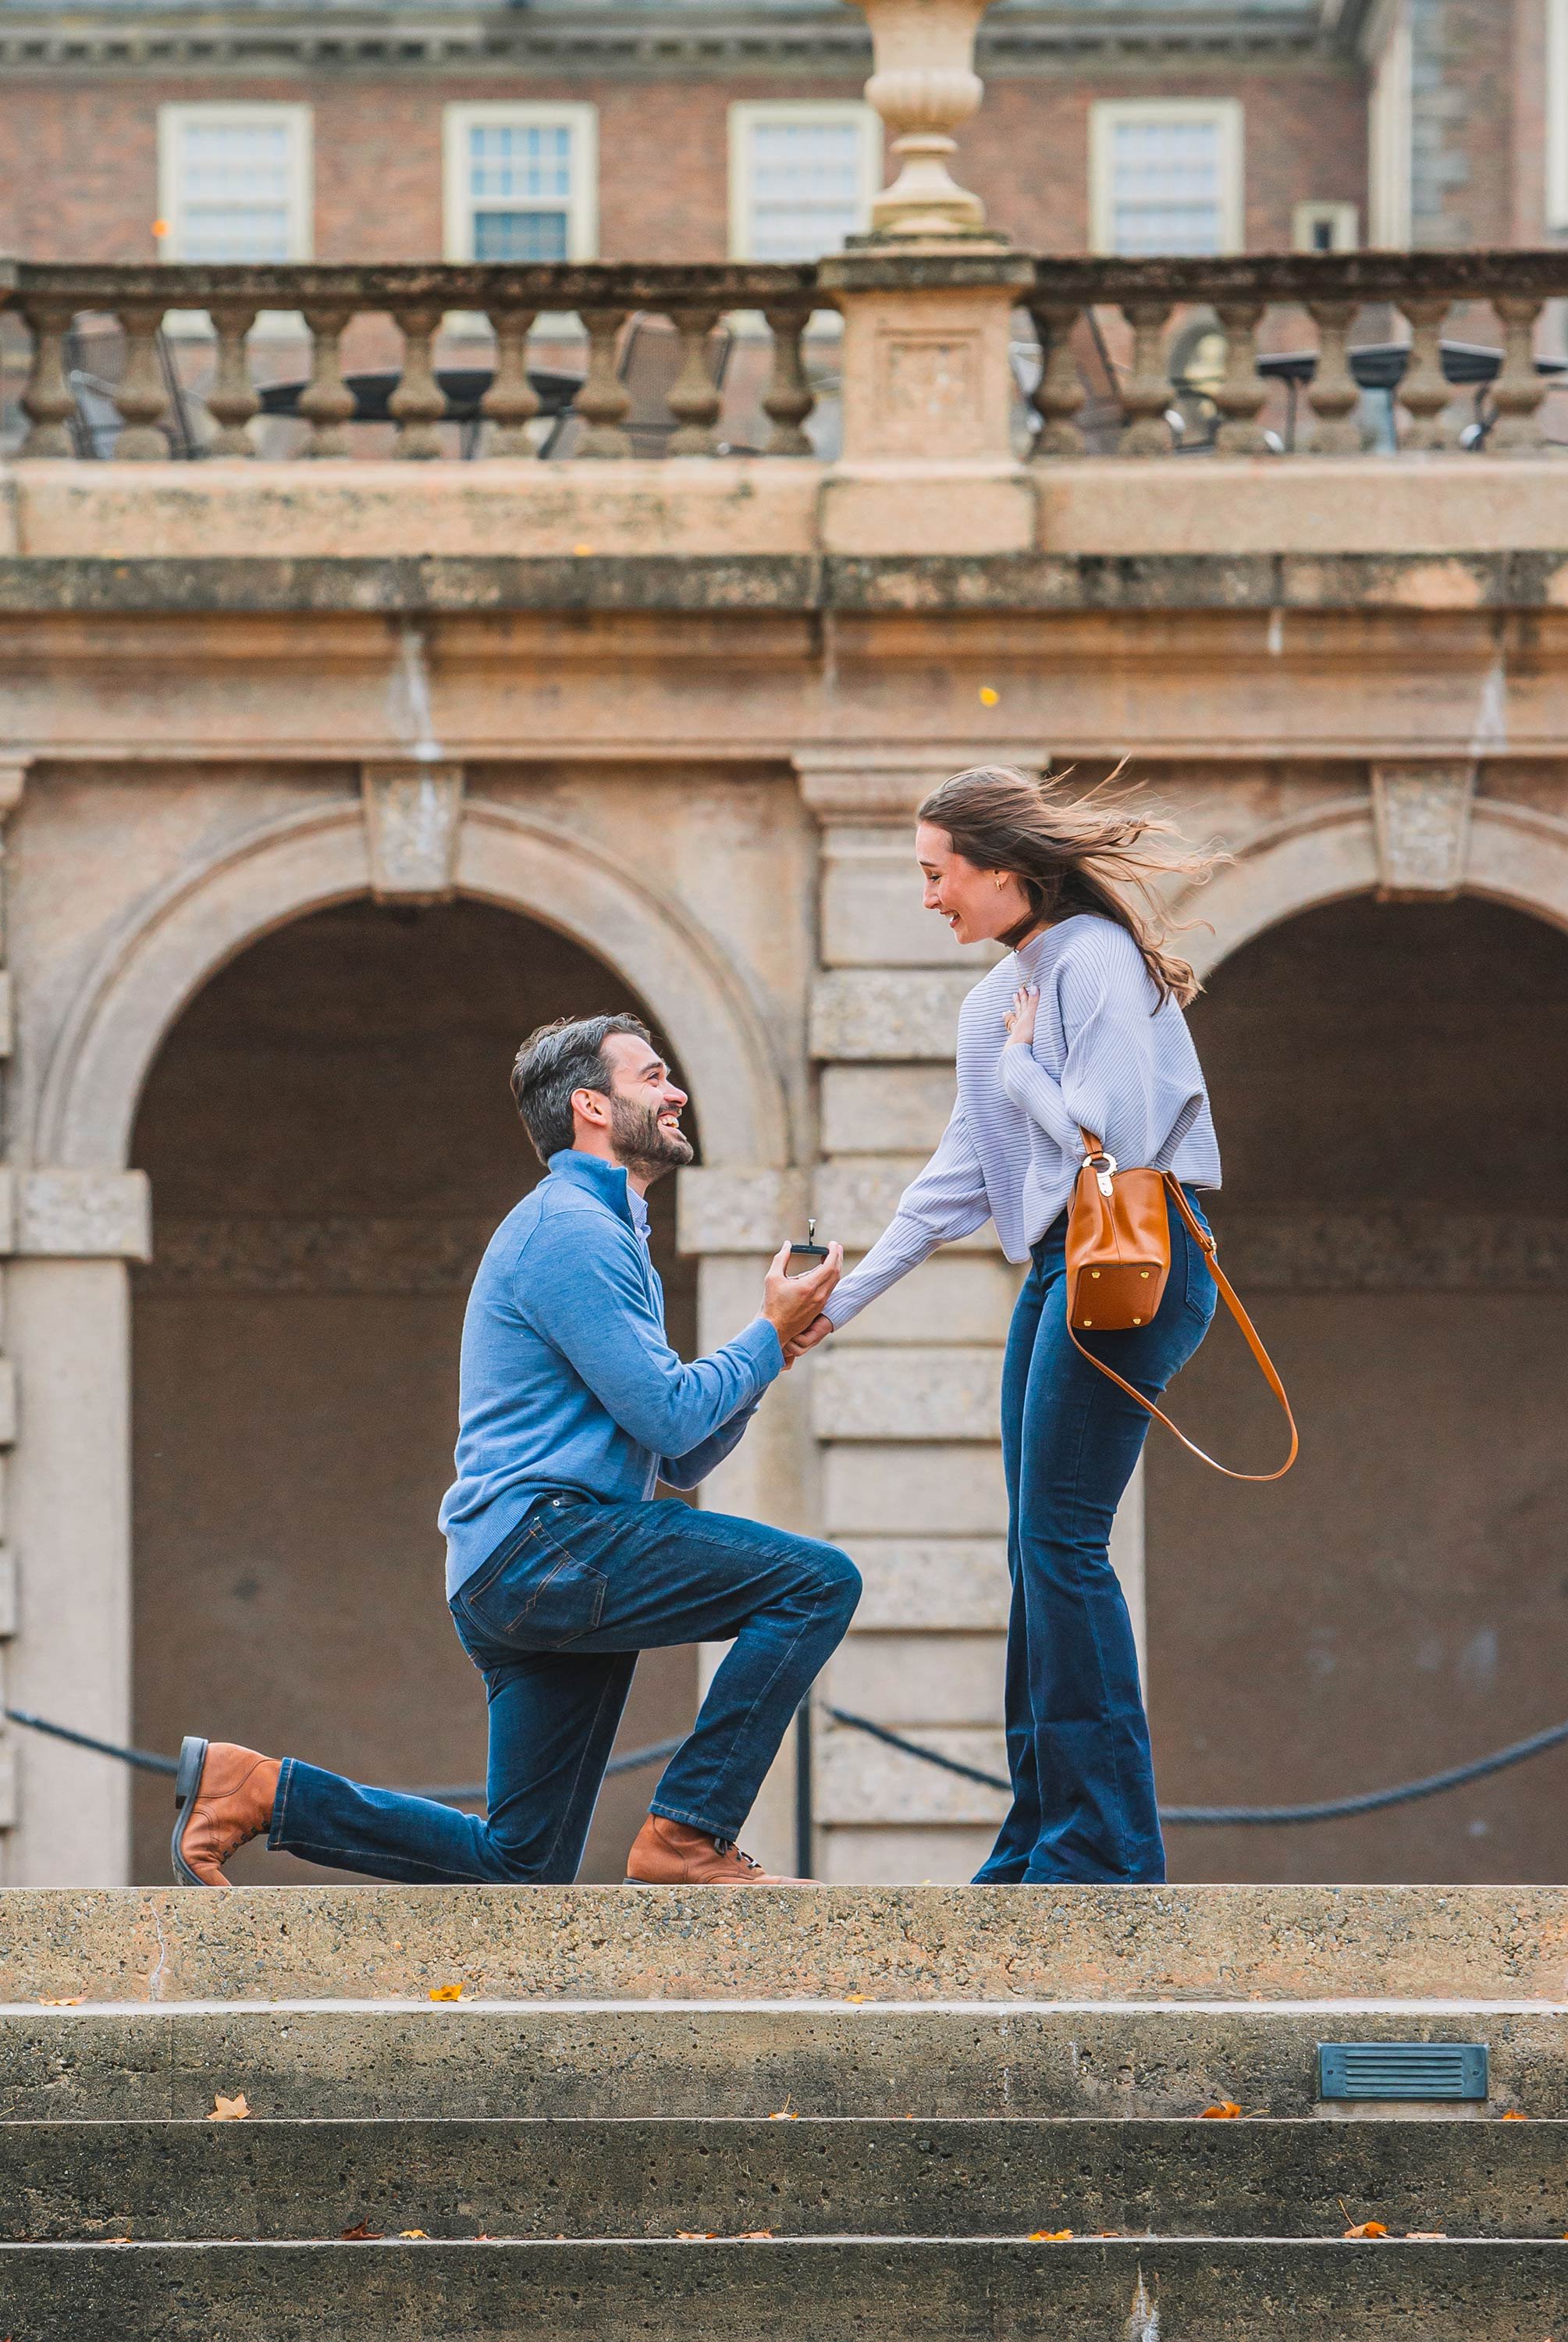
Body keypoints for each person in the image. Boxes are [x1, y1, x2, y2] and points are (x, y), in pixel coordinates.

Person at [172, 1011, 856, 1890]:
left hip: (520, 1564)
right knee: (815, 1583)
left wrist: (768, 1355)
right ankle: (690, 1833)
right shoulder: (571, 1231)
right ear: (591, 1107)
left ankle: (258, 1792)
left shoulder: (599, 1232)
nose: (675, 1089)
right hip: (548, 1547)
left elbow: (676, 1457)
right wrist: (763, 1337)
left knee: (520, 1867)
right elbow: (674, 1420)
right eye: (650, 1076)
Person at [788, 766, 1222, 1886]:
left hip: (1127, 1258)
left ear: (1003, 870)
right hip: (1056, 1270)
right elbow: (958, 1177)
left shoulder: (1090, 962)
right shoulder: (1000, 995)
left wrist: (1030, 1066)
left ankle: (1107, 1849)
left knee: (1061, 1548)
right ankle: (1043, 1835)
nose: (929, 897)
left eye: (938, 875)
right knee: (1040, 1554)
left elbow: (1108, 1132)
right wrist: (840, 1298)